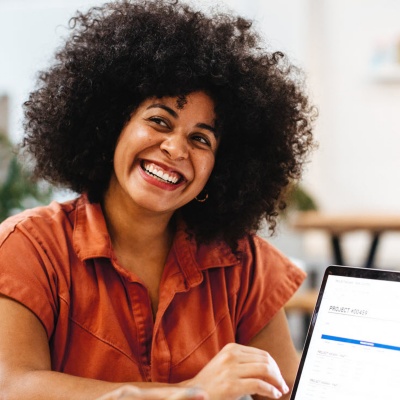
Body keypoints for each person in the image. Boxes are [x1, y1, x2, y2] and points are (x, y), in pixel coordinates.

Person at [0, 0, 316, 399]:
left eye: (201, 139)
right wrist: (189, 392)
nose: (175, 148)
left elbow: (287, 391)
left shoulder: (243, 264)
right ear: (112, 124)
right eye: (159, 120)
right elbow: (12, 387)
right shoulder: (28, 248)